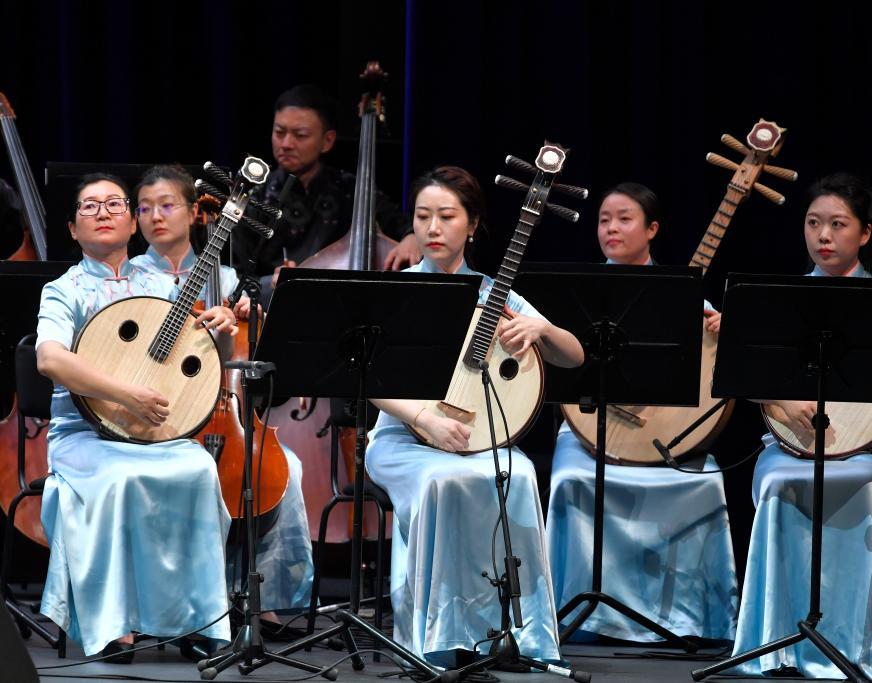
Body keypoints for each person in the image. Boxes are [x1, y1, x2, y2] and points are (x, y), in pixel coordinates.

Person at [727, 173, 872, 681]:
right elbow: (744, 376)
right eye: (813, 223)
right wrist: (781, 402)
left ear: (865, 233)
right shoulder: (783, 299)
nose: (823, 235)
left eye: (838, 224)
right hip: (791, 447)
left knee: (870, 488)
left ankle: (863, 644)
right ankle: (777, 642)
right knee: (776, 483)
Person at [365, 166, 584, 665]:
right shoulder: (399, 291)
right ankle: (435, 637)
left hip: (480, 440)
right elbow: (372, 381)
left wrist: (542, 330)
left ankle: (520, 633)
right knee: (442, 481)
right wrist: (425, 421)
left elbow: (574, 356)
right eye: (422, 216)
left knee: (519, 474)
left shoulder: (496, 295)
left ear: (473, 224)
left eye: (446, 216)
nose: (432, 228)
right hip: (404, 442)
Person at [35, 174, 236, 661]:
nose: (103, 212)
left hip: (154, 430)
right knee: (119, 478)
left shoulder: (165, 286)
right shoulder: (64, 289)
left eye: (114, 204)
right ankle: (114, 625)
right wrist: (125, 394)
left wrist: (224, 332)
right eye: (89, 206)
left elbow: (201, 364)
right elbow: (50, 359)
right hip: (83, 434)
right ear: (72, 229)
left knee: (198, 468)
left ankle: (197, 620)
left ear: (132, 223)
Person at [545, 183, 738, 642]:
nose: (611, 228)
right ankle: (574, 613)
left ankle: (689, 620)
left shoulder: (687, 294)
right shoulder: (580, 296)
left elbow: (724, 366)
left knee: (707, 483)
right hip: (589, 433)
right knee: (569, 478)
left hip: (665, 438)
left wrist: (723, 331)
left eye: (624, 218)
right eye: (603, 219)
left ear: (652, 229)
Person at [130, 164, 314, 634]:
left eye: (167, 205)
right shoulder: (131, 280)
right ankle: (182, 604)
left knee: (287, 468)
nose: (156, 216)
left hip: (223, 410)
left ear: (195, 212)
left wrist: (250, 322)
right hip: (161, 415)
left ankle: (264, 598)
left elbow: (252, 368)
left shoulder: (229, 279)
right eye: (145, 208)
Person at [231, 84, 420, 307]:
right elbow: (234, 278)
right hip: (272, 312)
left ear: (327, 141)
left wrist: (412, 237)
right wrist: (268, 283)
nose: (286, 144)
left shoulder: (350, 189)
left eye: (300, 135)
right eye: (279, 132)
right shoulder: (254, 195)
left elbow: (402, 224)